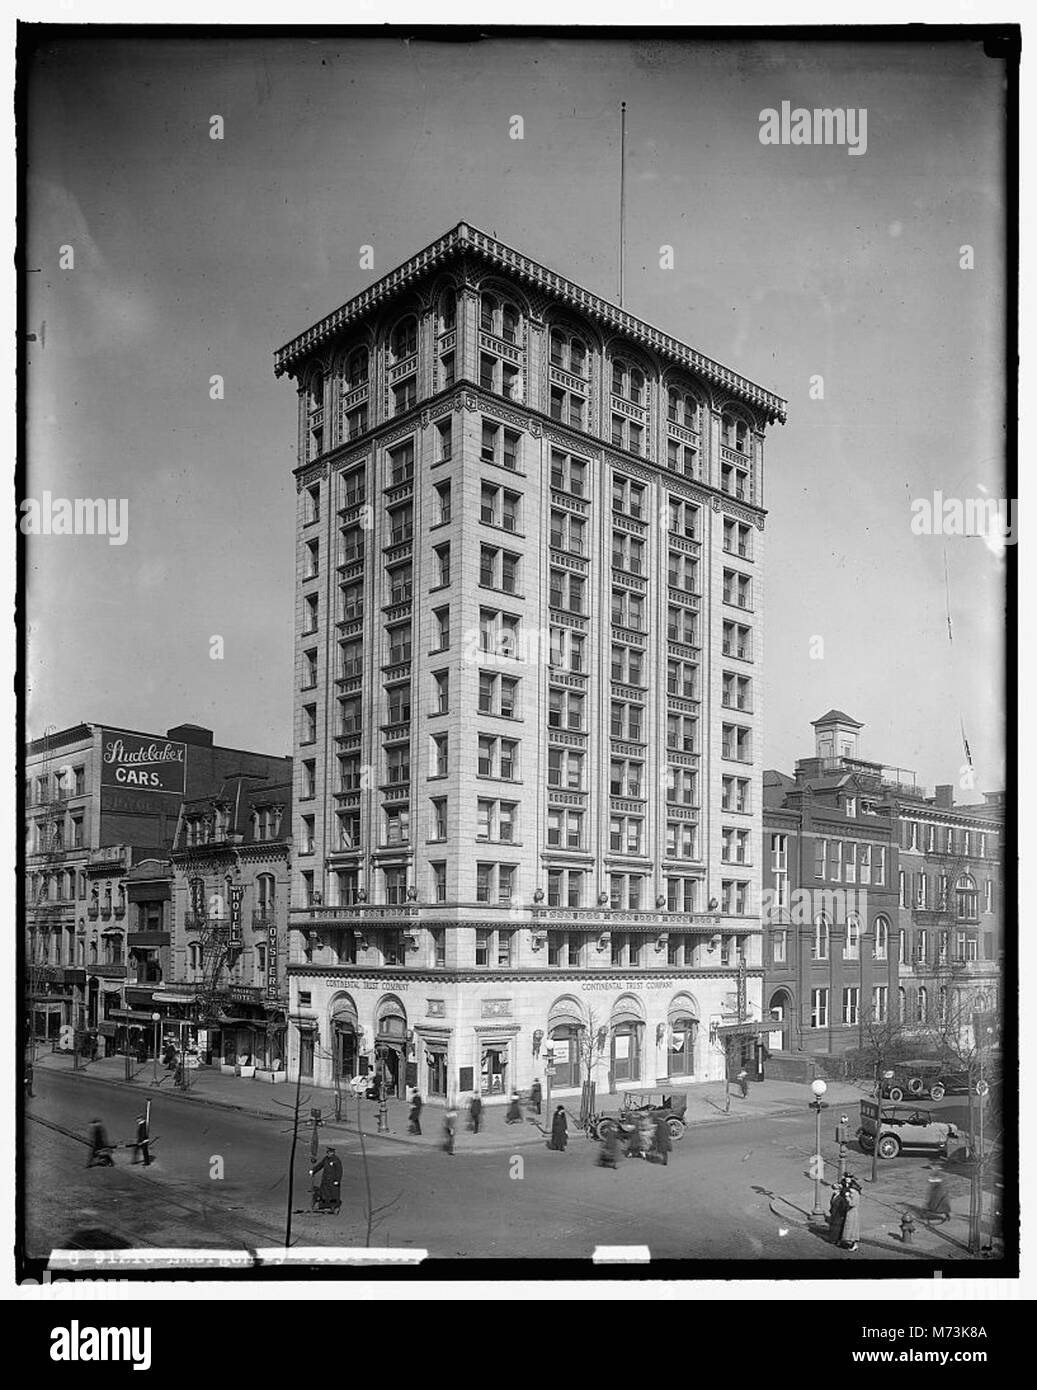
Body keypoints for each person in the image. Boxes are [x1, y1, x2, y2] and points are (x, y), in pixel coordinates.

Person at [310, 1145, 342, 1213]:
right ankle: (324, 1206)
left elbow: (339, 1171)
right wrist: (313, 1170)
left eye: (329, 1152)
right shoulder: (326, 1159)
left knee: (333, 1194)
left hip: (333, 1181)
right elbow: (320, 1165)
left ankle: (334, 1207)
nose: (328, 1153)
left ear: (333, 1152)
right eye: (327, 1152)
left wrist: (337, 1180)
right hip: (325, 1180)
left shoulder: (336, 1160)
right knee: (324, 1193)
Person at [839, 1175, 862, 1251]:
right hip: (851, 1213)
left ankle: (853, 1244)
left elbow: (852, 1204)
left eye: (851, 1189)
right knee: (850, 1228)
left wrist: (847, 1197)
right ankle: (850, 1243)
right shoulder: (854, 1194)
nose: (850, 1190)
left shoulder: (855, 1195)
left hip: (852, 1213)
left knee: (852, 1229)